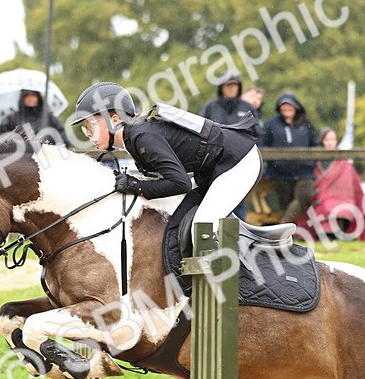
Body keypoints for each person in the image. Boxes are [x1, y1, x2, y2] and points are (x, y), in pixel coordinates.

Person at [70, 81, 261, 253]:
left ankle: (235, 287)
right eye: (84, 128)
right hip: (215, 166)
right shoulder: (133, 136)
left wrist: (136, 186)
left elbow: (180, 184)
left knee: (201, 228)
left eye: (90, 125)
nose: (87, 133)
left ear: (115, 119)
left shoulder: (142, 136)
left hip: (238, 161)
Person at [296, 127, 365, 243]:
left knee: (340, 207)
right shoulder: (315, 161)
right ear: (322, 141)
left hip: (342, 200)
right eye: (327, 139)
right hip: (321, 199)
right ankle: (327, 233)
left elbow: (351, 185)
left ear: (337, 141)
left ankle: (339, 232)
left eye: (333, 139)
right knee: (327, 206)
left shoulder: (344, 162)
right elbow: (314, 182)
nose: (330, 142)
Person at [198, 72, 259, 220]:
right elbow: (200, 131)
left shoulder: (247, 108)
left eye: (234, 85)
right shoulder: (210, 107)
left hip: (240, 161)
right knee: (213, 200)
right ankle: (213, 235)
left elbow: (257, 134)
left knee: (238, 201)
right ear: (221, 87)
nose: (231, 89)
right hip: (214, 162)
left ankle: (237, 237)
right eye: (228, 85)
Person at [260, 92, 317, 224]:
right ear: (279, 108)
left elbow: (315, 145)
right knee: (283, 205)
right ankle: (287, 237)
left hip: (304, 172)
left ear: (296, 107)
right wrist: (272, 162)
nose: (287, 109)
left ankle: (282, 229)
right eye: (283, 106)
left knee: (305, 196)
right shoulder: (271, 125)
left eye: (290, 106)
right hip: (279, 173)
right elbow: (263, 145)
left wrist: (311, 162)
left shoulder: (306, 124)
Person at [0, 89, 66, 144]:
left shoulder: (50, 118)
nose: (30, 99)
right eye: (27, 96)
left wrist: (47, 141)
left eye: (33, 96)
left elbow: (62, 138)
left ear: (38, 98)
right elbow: (3, 137)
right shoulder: (12, 118)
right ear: (22, 98)